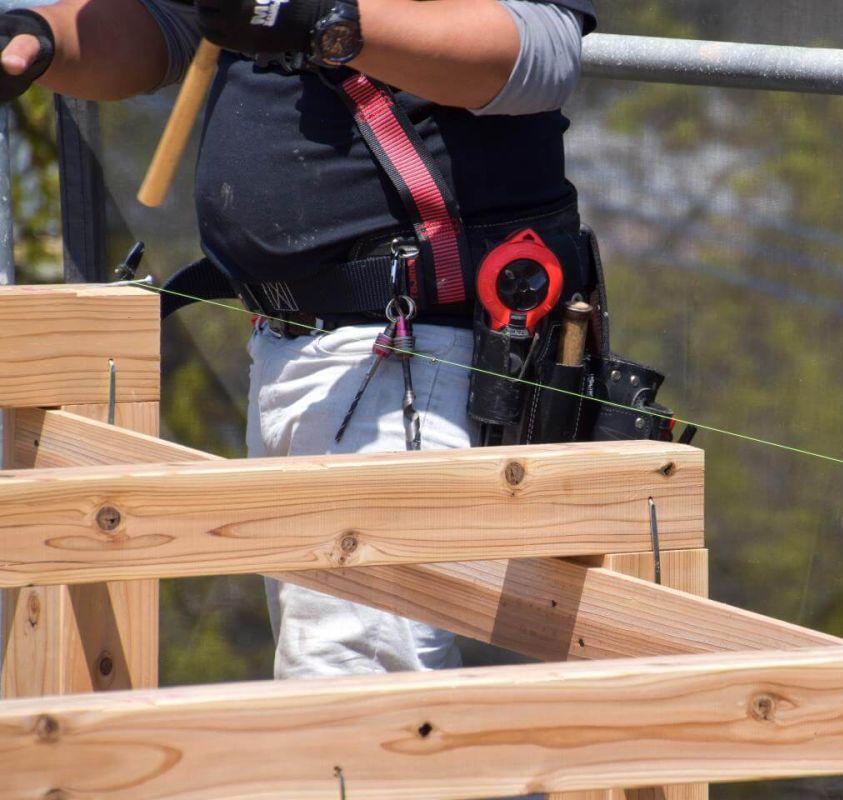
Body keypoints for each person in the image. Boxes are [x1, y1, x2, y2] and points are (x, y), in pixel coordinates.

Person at [0, 0, 597, 682]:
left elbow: (542, 54)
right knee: (355, 682)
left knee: (361, 689)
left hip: (414, 349)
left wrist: (328, 21)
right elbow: (167, 27)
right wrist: (42, 39)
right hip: (297, 347)